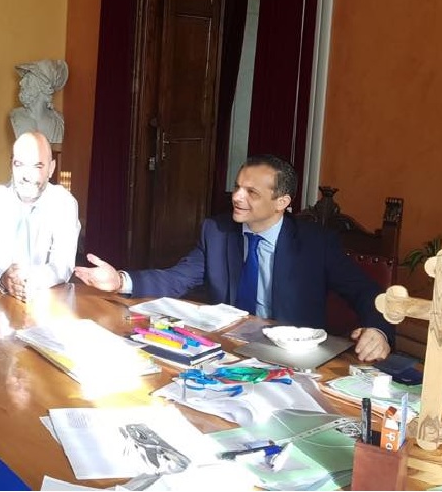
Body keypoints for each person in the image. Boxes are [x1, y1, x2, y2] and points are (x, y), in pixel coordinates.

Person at [74, 154, 394, 362]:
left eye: (251, 192)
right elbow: (177, 278)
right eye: (238, 187)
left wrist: (378, 331)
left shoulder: (315, 243)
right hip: (227, 353)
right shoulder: (217, 231)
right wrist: (120, 280)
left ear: (282, 202)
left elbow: (366, 292)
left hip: (292, 360)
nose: (237, 197)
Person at [0, 131, 80, 299]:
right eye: (19, 164)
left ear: (51, 168)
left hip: (46, 300)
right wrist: (3, 278)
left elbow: (62, 265)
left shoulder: (64, 204)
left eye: (38, 166)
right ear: (11, 165)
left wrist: (29, 281)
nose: (27, 176)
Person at [9, 59, 68, 144]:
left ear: (44, 87)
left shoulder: (59, 123)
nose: (21, 83)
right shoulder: (16, 116)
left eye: (28, 79)